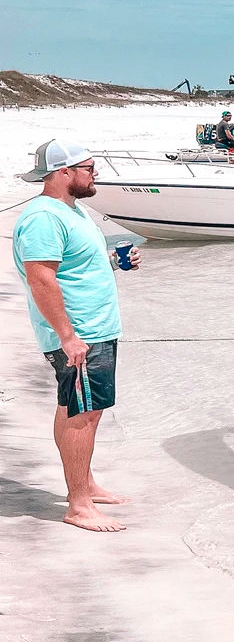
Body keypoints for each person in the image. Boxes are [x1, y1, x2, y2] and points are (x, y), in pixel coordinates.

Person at [11, 140, 141, 533]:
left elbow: (74, 266)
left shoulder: (72, 210)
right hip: (79, 333)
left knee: (81, 408)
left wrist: (116, 262)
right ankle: (78, 505)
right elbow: (41, 277)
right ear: (64, 172)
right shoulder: (43, 218)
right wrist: (67, 336)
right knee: (81, 413)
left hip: (94, 328)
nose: (95, 172)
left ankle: (84, 485)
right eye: (88, 166)